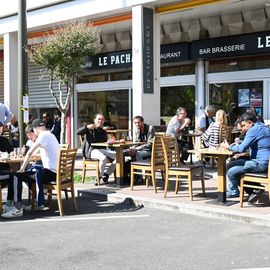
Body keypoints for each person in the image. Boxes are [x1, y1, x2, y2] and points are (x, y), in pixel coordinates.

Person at [1, 119, 60, 218]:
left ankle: (17, 209)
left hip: (49, 173)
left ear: (36, 129)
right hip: (54, 172)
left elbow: (29, 153)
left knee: (17, 175)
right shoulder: (51, 135)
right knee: (29, 173)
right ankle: (37, 202)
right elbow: (41, 152)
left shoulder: (42, 136)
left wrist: (22, 168)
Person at [221, 112, 270, 203]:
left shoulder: (253, 130)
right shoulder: (263, 127)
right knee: (231, 165)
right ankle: (251, 190)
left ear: (250, 123)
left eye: (243, 125)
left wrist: (228, 147)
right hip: (264, 162)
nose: (243, 129)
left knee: (232, 170)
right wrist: (244, 154)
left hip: (260, 163)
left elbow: (241, 148)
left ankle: (252, 190)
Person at [77, 112, 116, 184]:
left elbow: (105, 141)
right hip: (92, 151)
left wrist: (110, 141)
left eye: (102, 119)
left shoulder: (103, 131)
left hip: (103, 150)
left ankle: (106, 174)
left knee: (119, 157)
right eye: (99, 119)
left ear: (104, 121)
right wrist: (87, 127)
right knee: (103, 158)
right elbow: (78, 132)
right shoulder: (90, 129)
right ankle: (99, 177)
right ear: (95, 120)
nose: (100, 121)